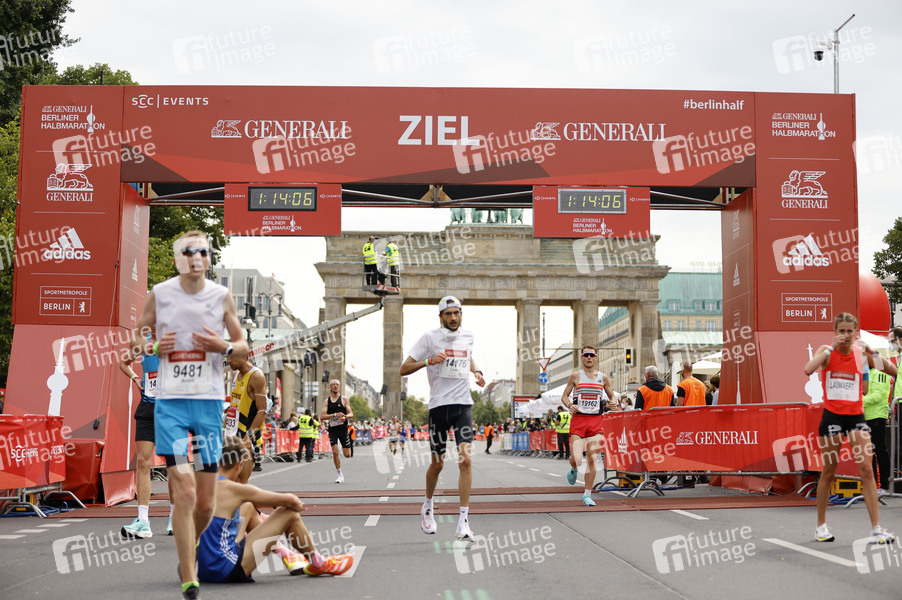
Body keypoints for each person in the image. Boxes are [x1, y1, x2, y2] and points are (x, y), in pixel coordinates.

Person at [130, 230, 248, 600]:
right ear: (178, 258)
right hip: (172, 406)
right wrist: (152, 346)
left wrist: (223, 346)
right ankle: (189, 574)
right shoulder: (160, 294)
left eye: (202, 252)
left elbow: (243, 346)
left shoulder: (221, 296)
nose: (195, 257)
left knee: (205, 501)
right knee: (183, 489)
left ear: (208, 258)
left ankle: (192, 544)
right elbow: (136, 339)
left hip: (207, 404)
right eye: (188, 251)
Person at [196, 436, 354, 583]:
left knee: (248, 506)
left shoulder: (201, 486)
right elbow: (291, 501)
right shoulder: (235, 490)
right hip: (228, 568)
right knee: (288, 513)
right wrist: (294, 505)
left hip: (204, 570)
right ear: (239, 466)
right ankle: (319, 562)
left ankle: (288, 555)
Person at [803, 312, 894, 544]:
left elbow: (892, 371)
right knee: (828, 471)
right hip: (832, 417)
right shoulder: (826, 350)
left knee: (867, 470)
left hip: (856, 418)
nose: (845, 335)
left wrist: (872, 352)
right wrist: (831, 348)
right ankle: (820, 526)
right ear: (835, 332)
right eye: (841, 331)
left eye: (849, 332)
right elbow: (808, 369)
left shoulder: (860, 353)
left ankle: (876, 528)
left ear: (855, 334)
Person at [400, 296, 485, 541]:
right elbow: (403, 369)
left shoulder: (468, 336)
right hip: (438, 407)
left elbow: (467, 356)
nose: (453, 317)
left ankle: (463, 522)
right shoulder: (429, 338)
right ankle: (427, 506)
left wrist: (477, 372)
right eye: (448, 314)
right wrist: (429, 361)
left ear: (461, 314)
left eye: (456, 313)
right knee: (437, 464)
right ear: (440, 317)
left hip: (463, 406)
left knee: (465, 461)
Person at [119, 340, 175, 538]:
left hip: (171, 410)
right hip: (147, 407)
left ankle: (175, 517)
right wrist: (135, 378)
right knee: (143, 462)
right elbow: (123, 363)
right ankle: (143, 521)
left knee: (173, 465)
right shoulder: (142, 342)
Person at [560, 344, 618, 506]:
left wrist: (613, 403)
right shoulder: (575, 376)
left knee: (592, 458)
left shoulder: (603, 378)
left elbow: (612, 396)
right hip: (579, 421)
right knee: (577, 459)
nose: (589, 358)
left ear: (596, 358)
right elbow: (564, 396)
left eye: (592, 355)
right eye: (586, 355)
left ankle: (587, 495)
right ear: (582, 357)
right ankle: (573, 468)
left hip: (596, 422)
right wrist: (570, 405)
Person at [227, 349, 267, 480]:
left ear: (245, 356)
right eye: (228, 357)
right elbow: (236, 404)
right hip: (231, 433)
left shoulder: (256, 376)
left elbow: (262, 410)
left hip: (245, 434)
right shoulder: (235, 374)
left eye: (232, 357)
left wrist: (249, 436)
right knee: (228, 480)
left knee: (241, 481)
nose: (229, 361)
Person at [863, 359, 893, 495]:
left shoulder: (881, 371)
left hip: (877, 416)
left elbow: (879, 395)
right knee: (868, 452)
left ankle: (885, 486)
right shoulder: (866, 372)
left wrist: (860, 402)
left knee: (879, 450)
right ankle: (872, 486)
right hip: (865, 416)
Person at [320, 379, 353, 483]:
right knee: (335, 452)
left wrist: (345, 417)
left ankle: (344, 447)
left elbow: (351, 413)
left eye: (337, 384)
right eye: (333, 384)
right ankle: (340, 475)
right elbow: (322, 416)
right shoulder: (327, 401)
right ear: (330, 387)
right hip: (333, 429)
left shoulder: (344, 399)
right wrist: (334, 415)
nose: (335, 386)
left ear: (339, 387)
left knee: (347, 454)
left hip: (343, 429)